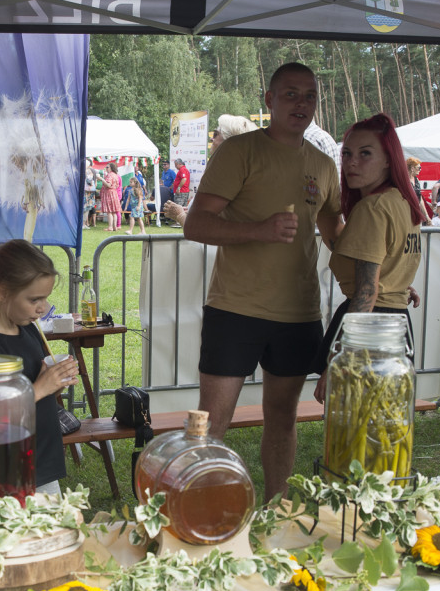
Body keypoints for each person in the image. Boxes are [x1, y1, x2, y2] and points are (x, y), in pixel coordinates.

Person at [178, 62, 343, 501]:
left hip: (299, 312)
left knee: (283, 418)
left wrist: (381, 281)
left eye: (309, 95)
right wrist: (259, 230)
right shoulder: (239, 152)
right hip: (235, 309)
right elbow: (195, 225)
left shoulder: (325, 166)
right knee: (213, 421)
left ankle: (276, 508)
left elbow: (337, 236)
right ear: (269, 101)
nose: (301, 103)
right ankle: (200, 509)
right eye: (291, 94)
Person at [311, 113, 423, 403]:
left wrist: (339, 358)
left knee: (356, 429)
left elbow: (367, 292)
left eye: (365, 154)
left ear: (388, 159)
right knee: (384, 429)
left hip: (369, 330)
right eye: (347, 153)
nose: (351, 162)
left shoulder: (372, 208)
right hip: (395, 325)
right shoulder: (402, 200)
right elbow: (378, 259)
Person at [0, 240, 79, 495]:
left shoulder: (27, 328)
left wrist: (56, 380)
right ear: (3, 292)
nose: (43, 308)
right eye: (34, 299)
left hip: (42, 460)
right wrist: (39, 388)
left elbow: (39, 389)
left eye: (45, 298)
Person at [405, 156, 432, 224]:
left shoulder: (416, 180)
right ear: (412, 168)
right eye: (419, 168)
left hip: (416, 212)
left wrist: (426, 216)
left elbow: (420, 199)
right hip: (406, 212)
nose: (420, 170)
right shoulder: (404, 180)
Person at [100, 162, 122, 232]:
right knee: (114, 211)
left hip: (109, 193)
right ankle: (115, 227)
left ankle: (110, 227)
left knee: (109, 211)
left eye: (107, 167)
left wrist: (102, 179)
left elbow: (108, 185)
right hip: (114, 193)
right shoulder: (116, 175)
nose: (106, 168)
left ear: (111, 168)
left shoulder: (109, 175)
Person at [83, 162, 97, 229]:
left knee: (83, 208)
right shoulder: (88, 171)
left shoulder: (80, 170)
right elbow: (89, 181)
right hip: (88, 192)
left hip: (83, 191)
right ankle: (84, 224)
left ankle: (83, 223)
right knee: (86, 208)